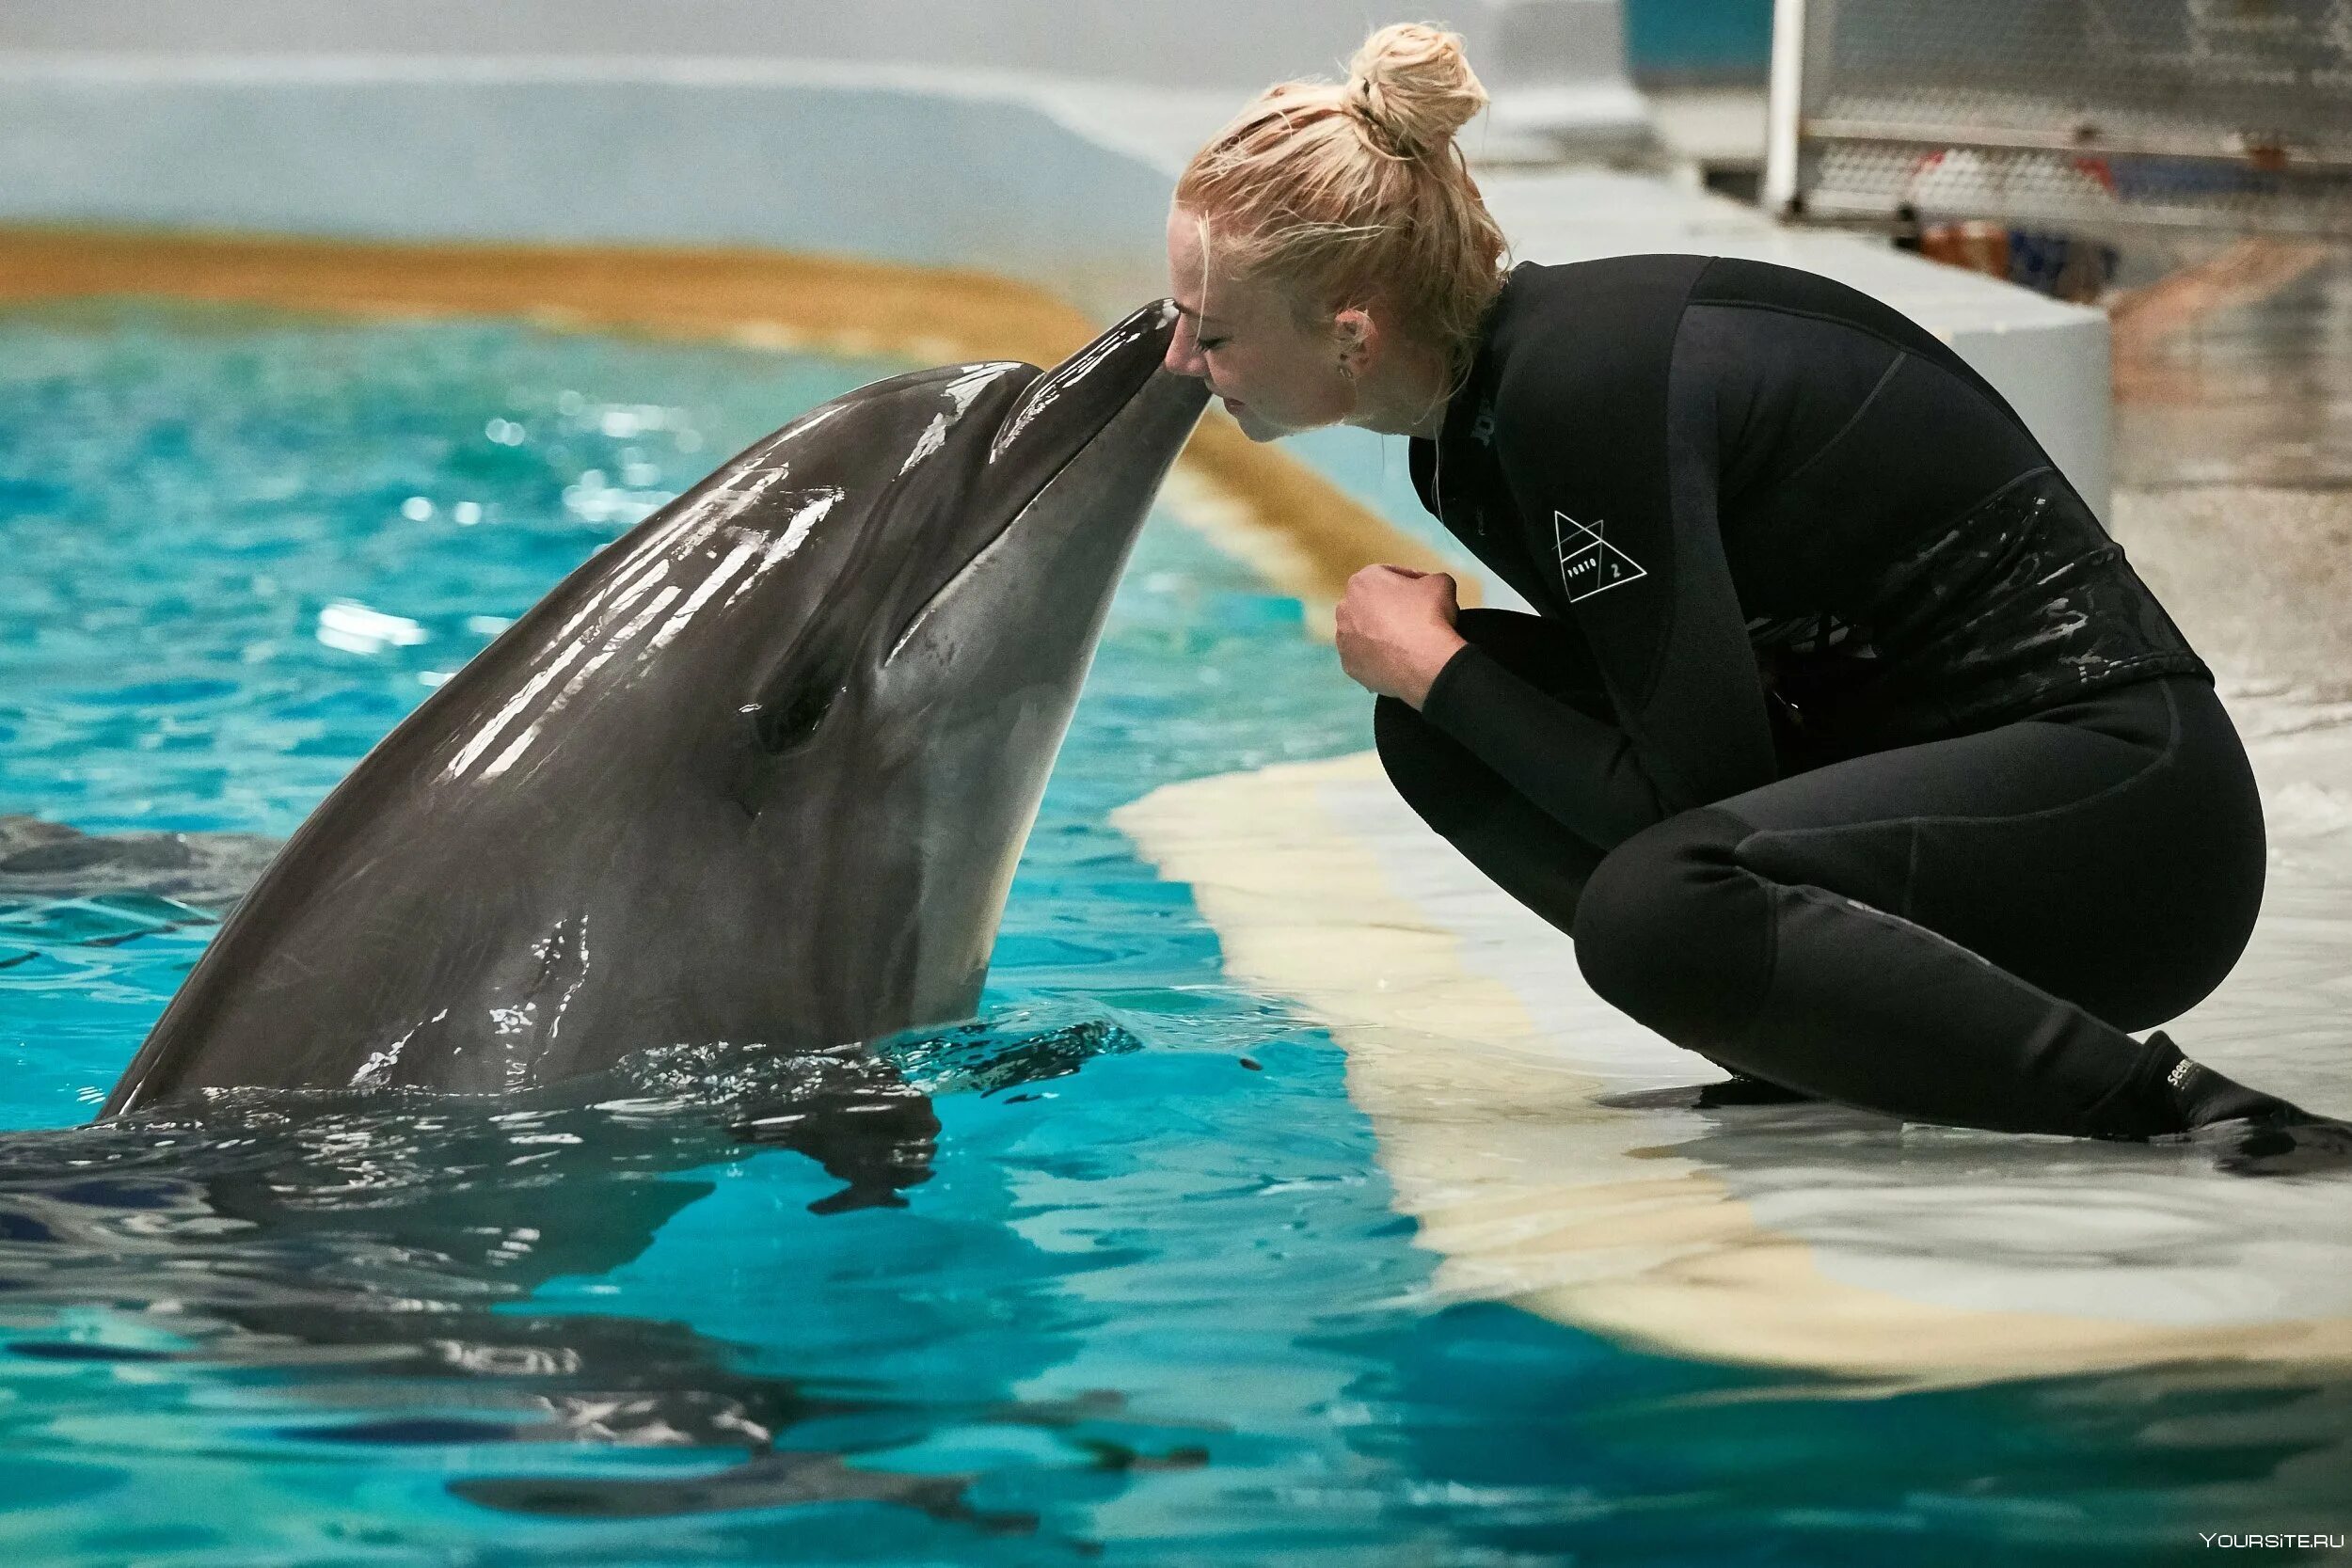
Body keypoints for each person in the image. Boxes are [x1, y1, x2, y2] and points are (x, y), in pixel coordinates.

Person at [1158, 22, 2348, 1163]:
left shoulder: (1577, 390)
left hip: (2132, 828)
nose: (1180, 363)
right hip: (1952, 804)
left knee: (1650, 904)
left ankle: (2178, 1112)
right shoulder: (1473, 430)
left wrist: (1444, 666)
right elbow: (1701, 763)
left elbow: (1693, 804)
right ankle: (1809, 1040)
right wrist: (1445, 692)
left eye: (1206, 333)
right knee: (1445, 736)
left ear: (1352, 333)